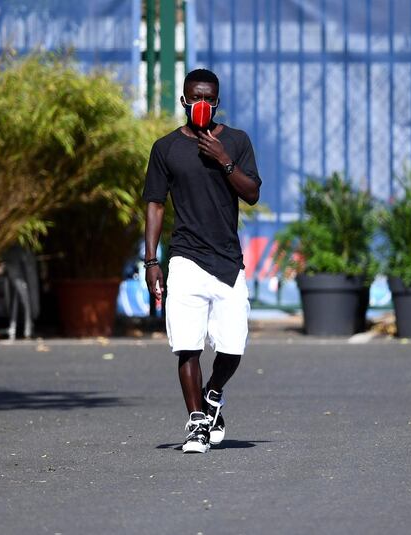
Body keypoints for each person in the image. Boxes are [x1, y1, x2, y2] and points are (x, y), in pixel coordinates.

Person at [142, 69, 261, 453]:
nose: (202, 106)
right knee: (187, 346)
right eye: (195, 99)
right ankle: (197, 424)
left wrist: (224, 160)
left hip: (227, 261)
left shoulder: (237, 142)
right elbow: (155, 205)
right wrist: (151, 261)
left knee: (233, 347)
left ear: (218, 102)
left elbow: (253, 194)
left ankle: (213, 393)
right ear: (184, 102)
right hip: (186, 259)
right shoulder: (166, 148)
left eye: (209, 99)